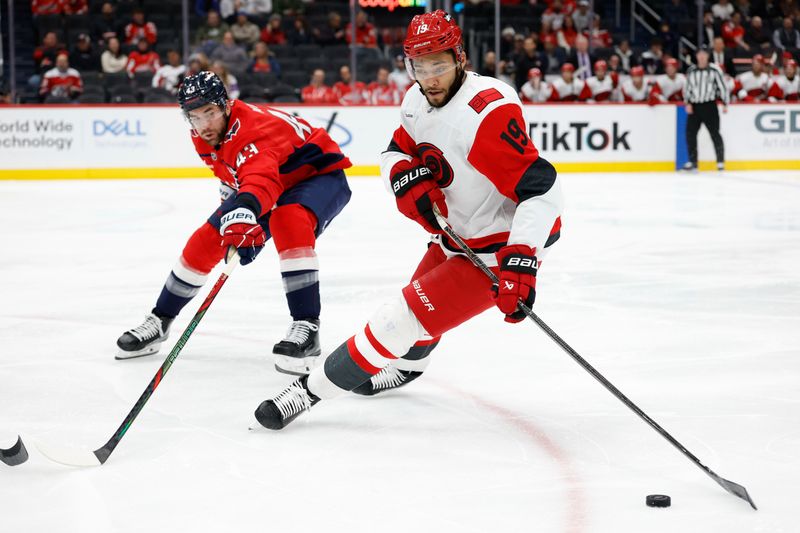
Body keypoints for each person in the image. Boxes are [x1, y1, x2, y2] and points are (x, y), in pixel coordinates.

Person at [250, 10, 563, 430]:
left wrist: (522, 256)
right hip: (456, 236)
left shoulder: (487, 113)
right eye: (420, 65)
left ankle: (306, 392)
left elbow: (542, 189)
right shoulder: (415, 102)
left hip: (497, 251)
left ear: (460, 58)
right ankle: (412, 367)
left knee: (399, 318)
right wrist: (402, 177)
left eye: (439, 63)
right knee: (417, 322)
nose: (430, 76)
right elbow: (394, 151)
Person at [116, 71, 353, 377]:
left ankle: (306, 328)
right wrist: (234, 228)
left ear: (225, 106)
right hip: (274, 180)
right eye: (195, 117)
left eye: (210, 113)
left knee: (288, 219)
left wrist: (245, 214)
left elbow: (260, 179)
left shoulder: (253, 130)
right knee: (206, 239)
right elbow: (234, 176)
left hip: (317, 175)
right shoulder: (202, 135)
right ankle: (159, 320)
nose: (203, 125)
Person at [683, 45, 728, 171]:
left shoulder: (715, 70)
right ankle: (693, 162)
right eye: (699, 54)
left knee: (715, 133)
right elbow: (687, 88)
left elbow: (722, 86)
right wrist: (688, 103)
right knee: (690, 134)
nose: (702, 57)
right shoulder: (691, 70)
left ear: (708, 56)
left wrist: (725, 103)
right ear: (696, 56)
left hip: (709, 106)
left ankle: (720, 162)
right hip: (695, 106)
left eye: (704, 54)